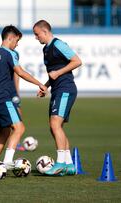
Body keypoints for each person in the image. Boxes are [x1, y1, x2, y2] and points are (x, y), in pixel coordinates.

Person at [0, 25, 47, 169]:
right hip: (4, 98)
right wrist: (40, 84)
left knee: (5, 131)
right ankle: (8, 161)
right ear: (11, 38)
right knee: (19, 128)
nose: (17, 44)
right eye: (17, 41)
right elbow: (20, 72)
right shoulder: (10, 54)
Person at [33, 20, 82, 176]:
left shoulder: (58, 44)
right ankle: (69, 165)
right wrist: (46, 86)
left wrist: (58, 73)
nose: (36, 37)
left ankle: (60, 162)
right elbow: (53, 72)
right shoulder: (46, 49)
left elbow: (77, 61)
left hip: (66, 89)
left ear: (45, 31)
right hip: (57, 89)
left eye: (37, 34)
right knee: (54, 127)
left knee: (55, 123)